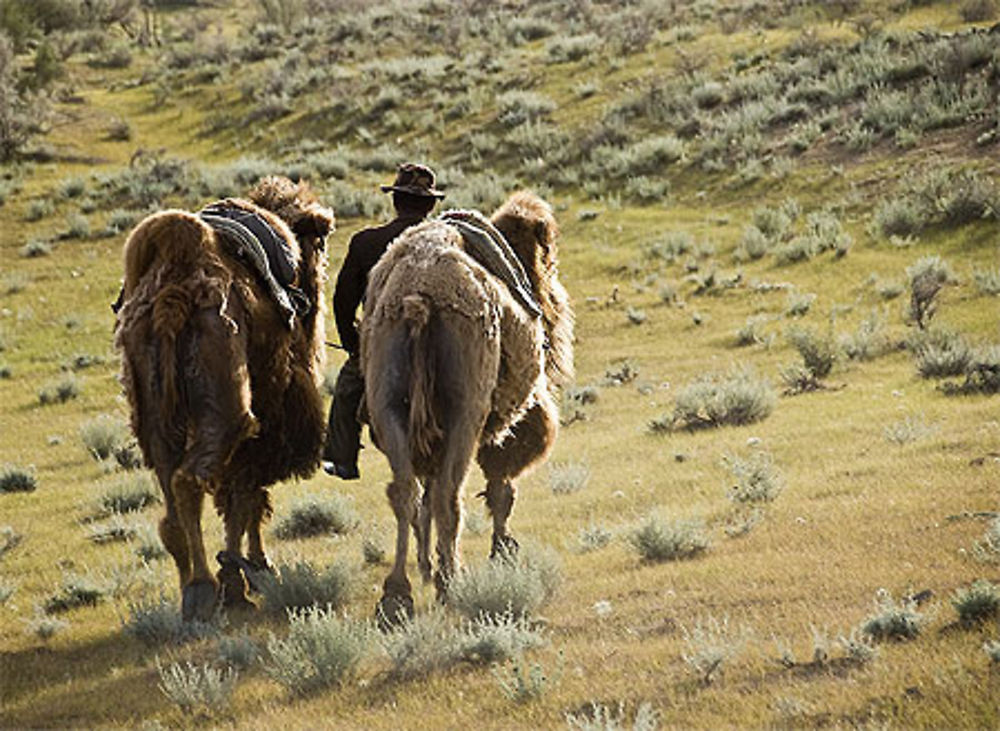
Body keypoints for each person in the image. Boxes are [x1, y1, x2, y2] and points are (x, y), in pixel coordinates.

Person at [322, 162, 445, 479]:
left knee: (348, 392)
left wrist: (354, 346)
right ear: (430, 204)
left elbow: (343, 301)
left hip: (381, 344)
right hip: (439, 342)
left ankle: (343, 458)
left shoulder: (366, 242)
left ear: (395, 200)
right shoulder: (447, 241)